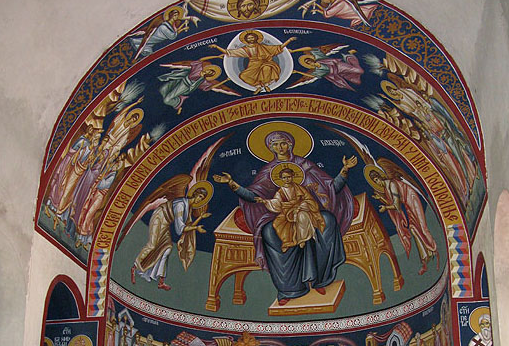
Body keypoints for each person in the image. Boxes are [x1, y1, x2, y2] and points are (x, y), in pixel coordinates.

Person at [213, 127, 356, 305]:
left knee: (328, 221)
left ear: (290, 144)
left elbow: (330, 189)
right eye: (275, 145)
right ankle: (290, 288)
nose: (280, 147)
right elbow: (254, 197)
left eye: (283, 143)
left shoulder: (305, 166)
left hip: (308, 210)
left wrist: (344, 170)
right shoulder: (268, 172)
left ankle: (320, 279)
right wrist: (232, 183)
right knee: (269, 232)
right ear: (271, 148)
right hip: (281, 215)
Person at [366, 163, 439, 275]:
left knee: (422, 227)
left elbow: (396, 206)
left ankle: (435, 251)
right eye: (375, 182)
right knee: (413, 229)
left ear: (380, 177)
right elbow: (394, 203)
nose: (377, 183)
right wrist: (381, 198)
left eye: (376, 180)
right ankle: (425, 259)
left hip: (412, 199)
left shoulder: (392, 184)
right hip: (407, 203)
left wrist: (385, 207)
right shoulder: (386, 189)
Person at [131, 186, 208, 291]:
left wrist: (200, 218)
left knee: (167, 249)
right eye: (200, 196)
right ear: (195, 194)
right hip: (159, 218)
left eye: (202, 198)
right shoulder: (181, 205)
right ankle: (134, 267)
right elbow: (180, 229)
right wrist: (196, 228)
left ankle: (161, 282)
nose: (200, 199)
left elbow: (187, 226)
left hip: (165, 223)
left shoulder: (188, 208)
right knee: (153, 245)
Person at [256, 166, 326, 251]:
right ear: (281, 179)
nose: (287, 179)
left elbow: (309, 199)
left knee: (302, 216)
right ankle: (287, 242)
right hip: (286, 212)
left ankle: (302, 239)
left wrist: (300, 206)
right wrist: (264, 201)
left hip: (301, 209)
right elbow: (276, 202)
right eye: (284, 177)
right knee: (277, 223)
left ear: (292, 176)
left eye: (289, 177)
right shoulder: (280, 191)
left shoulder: (299, 188)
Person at [210, 31, 298, 94]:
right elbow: (230, 52)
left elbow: (278, 48)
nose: (251, 39)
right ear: (246, 40)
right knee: (243, 76)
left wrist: (289, 41)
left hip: (265, 63)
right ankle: (258, 86)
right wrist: (217, 47)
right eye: (249, 38)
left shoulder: (263, 47)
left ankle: (266, 84)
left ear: (256, 38)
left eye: (252, 37)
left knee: (266, 68)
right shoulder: (246, 49)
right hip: (253, 65)